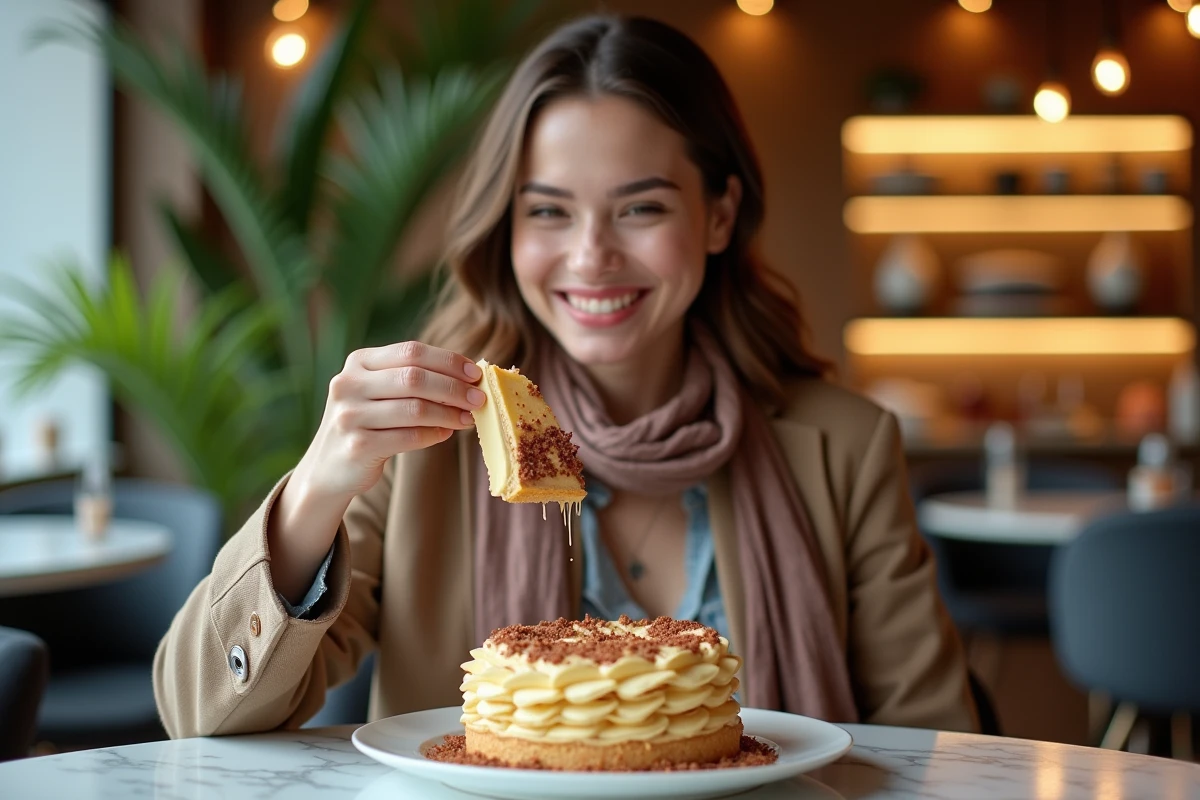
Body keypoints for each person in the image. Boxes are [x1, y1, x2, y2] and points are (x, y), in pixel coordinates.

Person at [153, 13, 979, 737]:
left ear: (720, 214)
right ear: (506, 228)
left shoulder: (844, 446)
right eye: (548, 210)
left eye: (641, 208)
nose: (592, 257)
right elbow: (197, 712)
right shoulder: (429, 442)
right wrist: (315, 490)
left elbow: (940, 746)